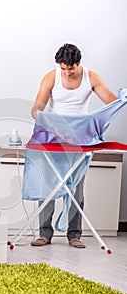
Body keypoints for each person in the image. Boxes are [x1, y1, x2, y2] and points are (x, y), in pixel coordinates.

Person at [31, 43, 118, 248]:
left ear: (79, 63)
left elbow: (111, 101)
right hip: (55, 138)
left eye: (71, 68)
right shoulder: (51, 77)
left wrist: (121, 101)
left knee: (76, 188)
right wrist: (39, 115)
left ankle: (74, 235)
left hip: (80, 140)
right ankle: (44, 233)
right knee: (48, 187)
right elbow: (37, 106)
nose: (67, 73)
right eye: (63, 69)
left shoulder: (91, 77)